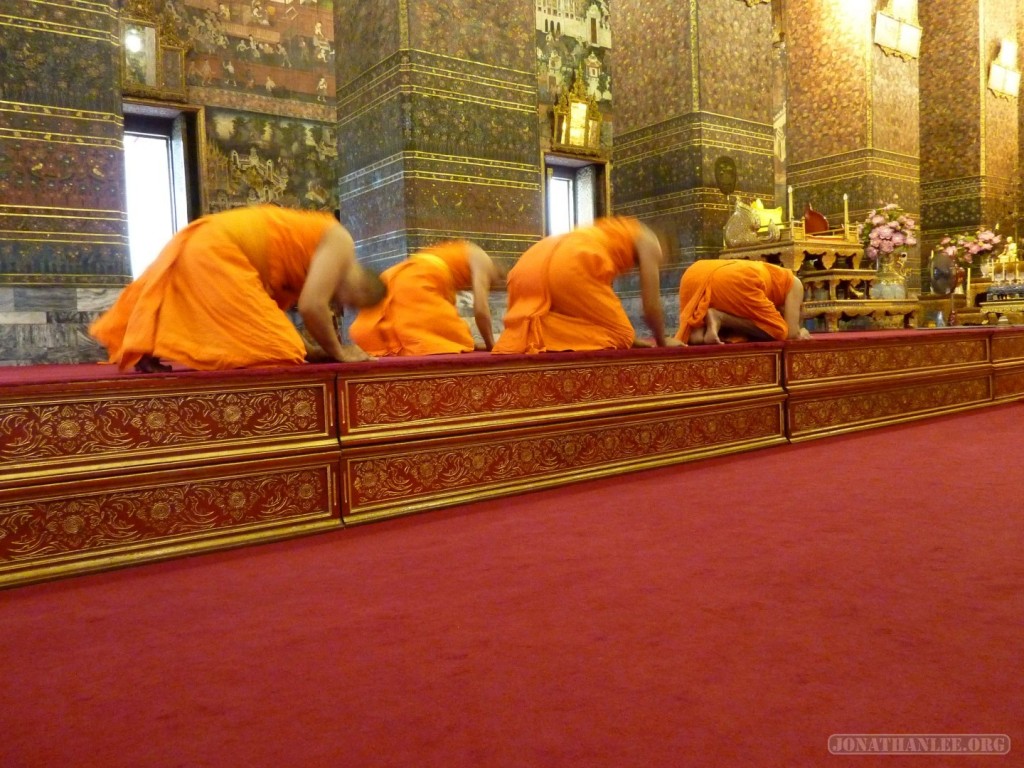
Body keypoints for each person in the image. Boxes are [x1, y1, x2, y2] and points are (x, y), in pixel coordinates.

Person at [90, 205, 386, 372]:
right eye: (354, 303)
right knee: (277, 351)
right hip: (220, 248)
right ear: (360, 286)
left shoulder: (316, 262)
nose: (345, 307)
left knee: (281, 343)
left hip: (208, 242)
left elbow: (266, 310)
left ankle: (148, 349)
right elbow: (312, 306)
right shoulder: (341, 241)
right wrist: (338, 352)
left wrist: (312, 351)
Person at [492, 217, 677, 353]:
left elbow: (591, 308)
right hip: (571, 262)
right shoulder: (651, 242)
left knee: (622, 332)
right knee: (622, 334)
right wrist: (662, 340)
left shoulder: (613, 230)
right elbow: (651, 305)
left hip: (530, 263)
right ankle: (535, 335)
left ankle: (526, 333)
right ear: (665, 246)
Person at [349, 240, 503, 355]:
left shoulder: (459, 252)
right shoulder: (484, 262)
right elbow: (481, 310)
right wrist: (492, 345)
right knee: (454, 332)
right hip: (417, 281)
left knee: (449, 331)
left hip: (395, 276)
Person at [675, 259, 811, 345]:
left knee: (696, 338)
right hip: (738, 280)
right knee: (779, 331)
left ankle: (699, 332)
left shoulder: (766, 277)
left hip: (694, 273)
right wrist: (801, 330)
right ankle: (718, 317)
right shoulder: (794, 282)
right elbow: (791, 334)